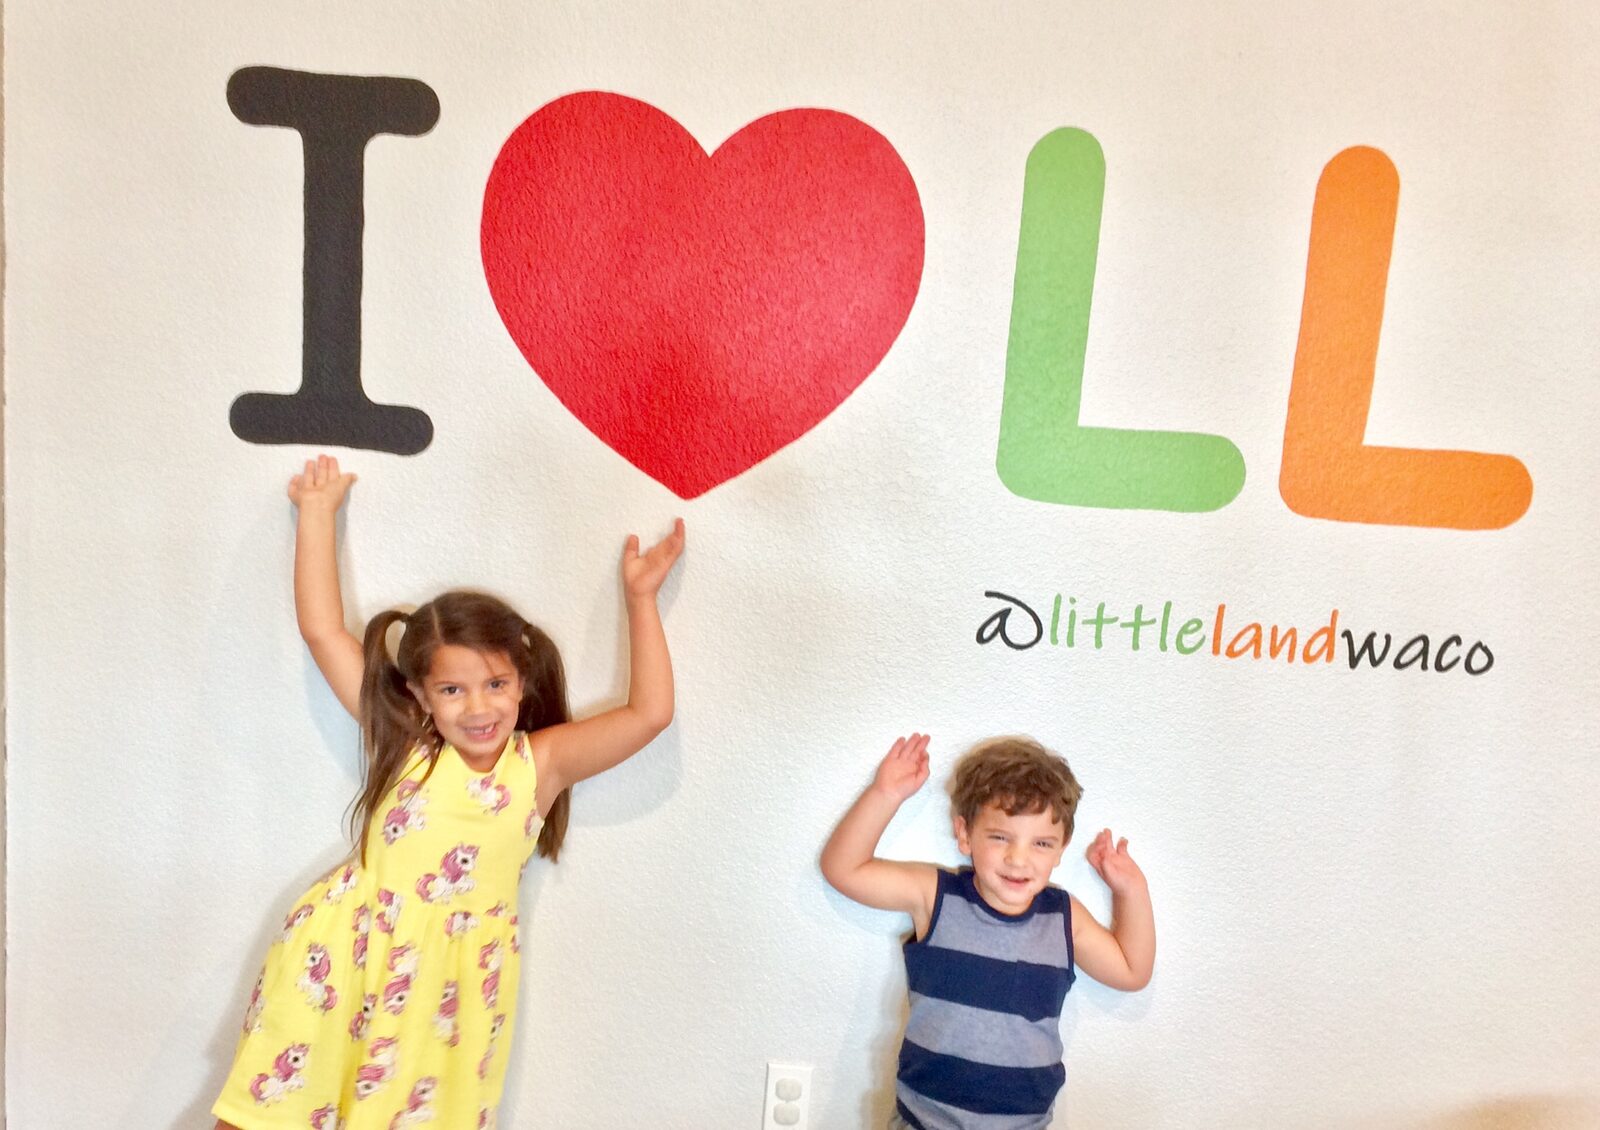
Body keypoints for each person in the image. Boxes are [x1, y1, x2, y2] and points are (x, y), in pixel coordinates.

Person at [212, 455, 685, 1129]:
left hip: (450, 997)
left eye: (495, 684)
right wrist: (316, 515)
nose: (477, 707)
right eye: (453, 690)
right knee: (268, 1114)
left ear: (522, 683)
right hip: (341, 957)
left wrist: (641, 601)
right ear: (419, 694)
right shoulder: (407, 741)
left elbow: (649, 715)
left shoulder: (539, 764)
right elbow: (324, 631)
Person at [821, 733, 1155, 1130]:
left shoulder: (1064, 918)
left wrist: (1131, 890)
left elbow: (1132, 971)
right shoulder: (936, 896)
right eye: (1000, 837)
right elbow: (843, 869)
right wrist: (885, 794)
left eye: (1042, 843)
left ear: (1062, 848)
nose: (1018, 859)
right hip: (926, 1122)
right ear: (964, 834)